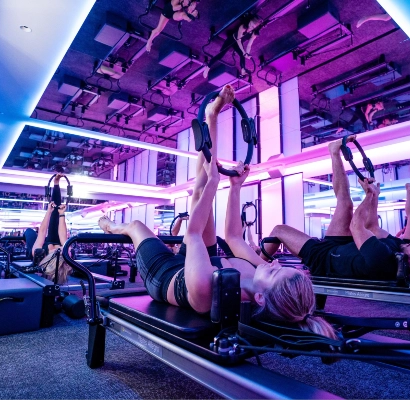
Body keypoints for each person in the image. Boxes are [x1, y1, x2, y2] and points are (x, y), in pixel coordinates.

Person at [97, 85, 336, 338]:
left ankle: (111, 225)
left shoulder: (208, 290)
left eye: (276, 270)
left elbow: (193, 234)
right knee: (202, 188)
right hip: (205, 262)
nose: (275, 261)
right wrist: (235, 187)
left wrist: (213, 184)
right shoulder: (259, 274)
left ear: (259, 298)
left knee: (136, 225)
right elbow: (233, 237)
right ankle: (212, 116)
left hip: (165, 274)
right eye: (280, 265)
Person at [262, 137, 410, 280]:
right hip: (343, 247)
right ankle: (334, 152)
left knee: (279, 230)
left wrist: (369, 196)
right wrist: (375, 197)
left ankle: (255, 267)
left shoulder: (383, 260)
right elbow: (372, 227)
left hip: (325, 258)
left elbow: (356, 226)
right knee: (345, 203)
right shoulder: (399, 249)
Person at [24, 174, 72, 284]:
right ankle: (56, 183)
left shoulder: (39, 253)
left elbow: (41, 232)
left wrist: (48, 211)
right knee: (56, 215)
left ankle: (25, 239)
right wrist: (61, 214)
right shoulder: (65, 254)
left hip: (36, 249)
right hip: (52, 242)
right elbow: (63, 234)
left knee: (29, 231)